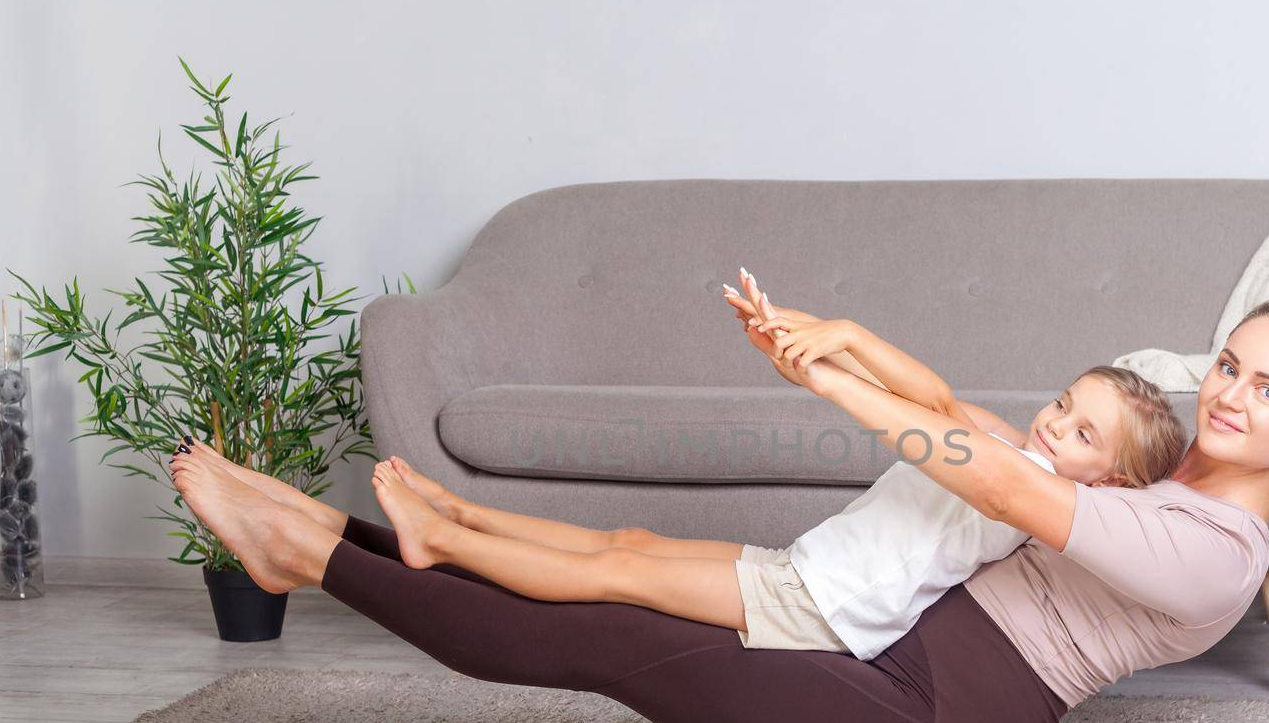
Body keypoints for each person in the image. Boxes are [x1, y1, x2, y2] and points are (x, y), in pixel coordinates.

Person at [164, 280, 1269, 723]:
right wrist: (841, 342)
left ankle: (308, 557)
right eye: (1231, 367)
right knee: (623, 578)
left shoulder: (1216, 553)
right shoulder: (1159, 462)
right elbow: (983, 433)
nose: (1234, 397)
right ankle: (329, 531)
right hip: (874, 646)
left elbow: (1014, 492)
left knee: (610, 634)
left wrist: (846, 390)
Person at [349, 268, 1187, 664]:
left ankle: (440, 543)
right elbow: (938, 397)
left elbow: (928, 422)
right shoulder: (1015, 447)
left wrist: (830, 364)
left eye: (1083, 435)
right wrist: (826, 331)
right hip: (805, 572)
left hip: (823, 609)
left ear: (1106, 482)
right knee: (630, 539)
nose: (1056, 424)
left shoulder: (1032, 494)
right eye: (1064, 403)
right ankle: (461, 512)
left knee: (617, 574)